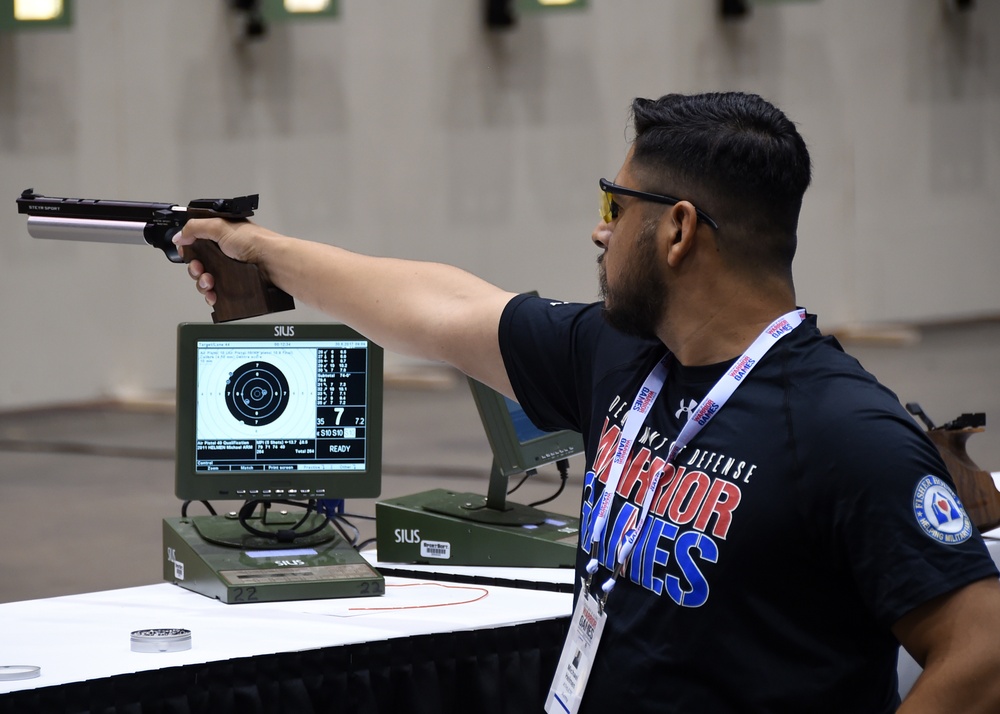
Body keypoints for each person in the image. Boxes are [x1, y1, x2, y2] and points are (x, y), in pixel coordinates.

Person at [175, 92, 1000, 713]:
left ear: (677, 230)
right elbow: (440, 305)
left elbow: (982, 651)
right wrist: (262, 251)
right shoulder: (622, 357)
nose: (601, 232)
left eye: (615, 205)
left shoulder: (840, 428)